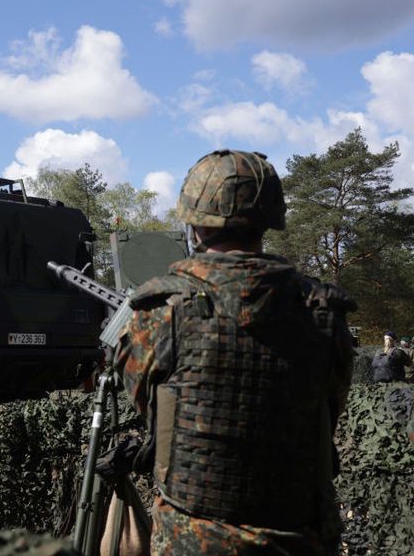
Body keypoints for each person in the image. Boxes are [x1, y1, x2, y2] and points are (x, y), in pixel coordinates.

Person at [116, 150, 355, 555]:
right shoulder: (322, 311)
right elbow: (329, 408)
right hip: (301, 536)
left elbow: (150, 408)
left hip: (193, 539)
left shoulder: (159, 312)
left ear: (194, 225)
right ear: (269, 220)